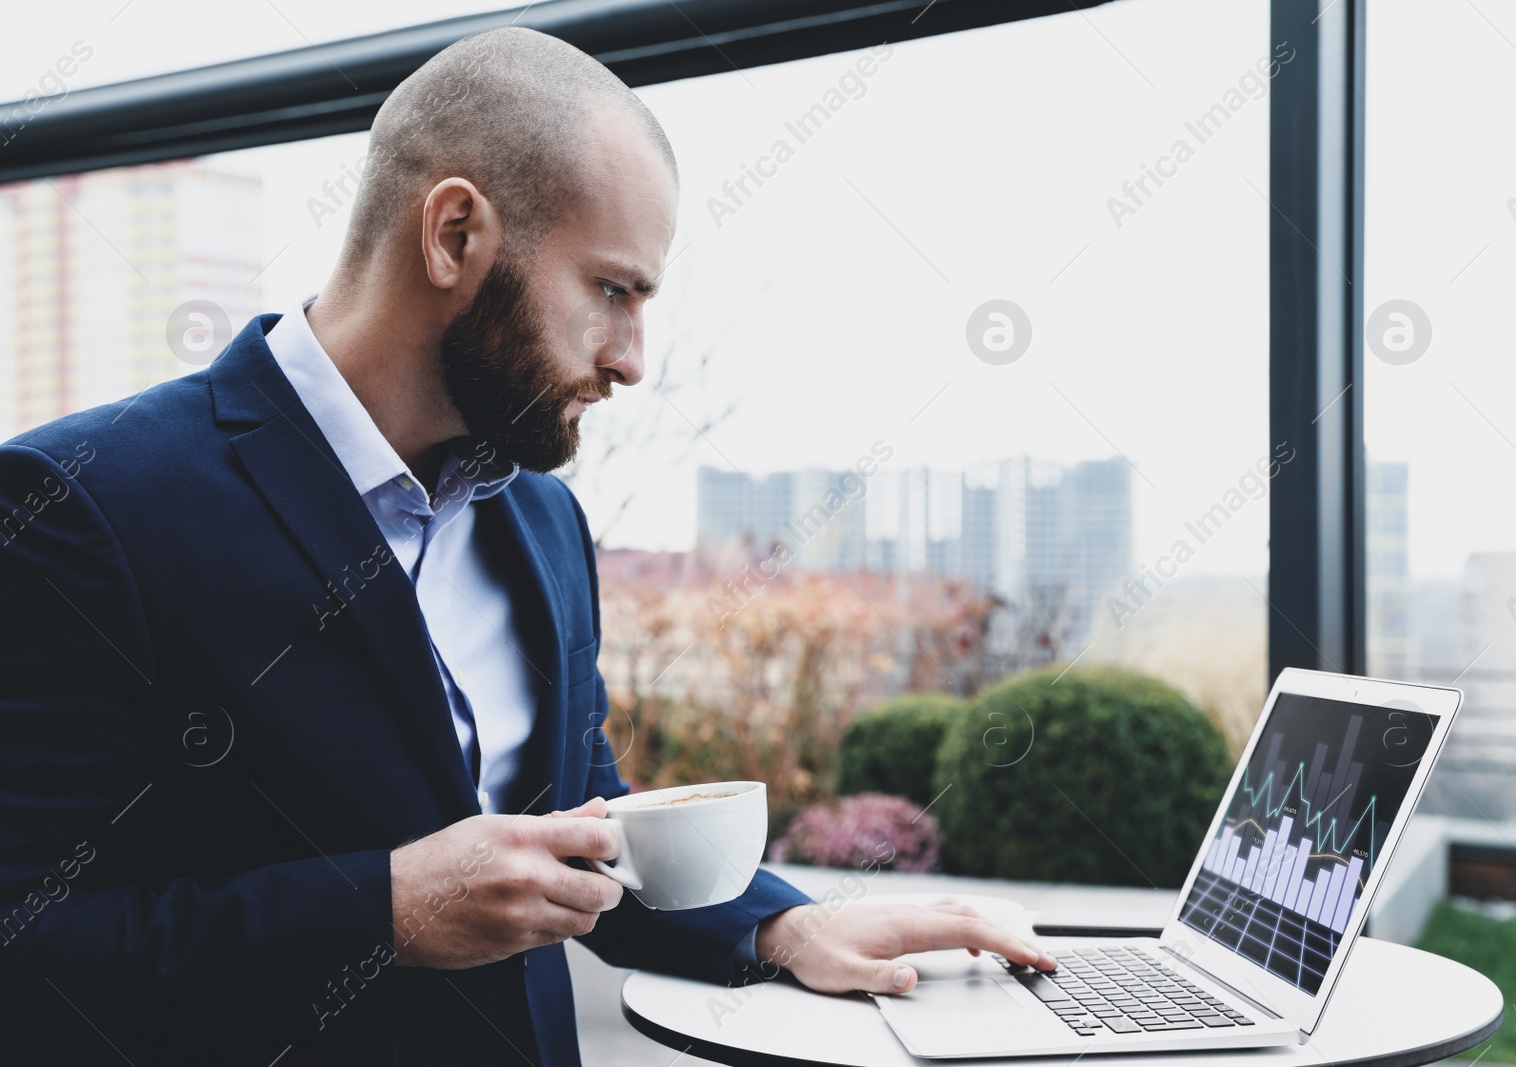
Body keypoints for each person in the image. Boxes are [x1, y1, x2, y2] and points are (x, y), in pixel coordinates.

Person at [0, 26, 1054, 1065]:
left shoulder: (543, 520)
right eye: (610, 290)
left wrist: (783, 923)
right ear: (455, 233)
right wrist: (386, 910)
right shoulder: (80, 507)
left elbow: (578, 832)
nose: (633, 358)